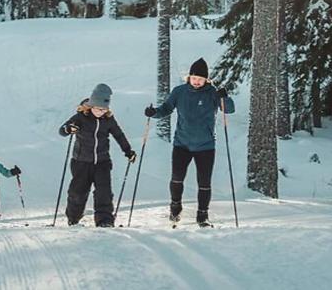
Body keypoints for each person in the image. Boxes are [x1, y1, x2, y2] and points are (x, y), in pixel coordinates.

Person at [144, 58, 234, 227]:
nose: (197, 82)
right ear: (189, 77)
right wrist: (153, 113)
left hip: (205, 146)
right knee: (177, 178)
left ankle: (202, 215)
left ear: (206, 79)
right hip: (182, 144)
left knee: (204, 182)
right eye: (194, 78)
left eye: (200, 79)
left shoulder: (212, 93)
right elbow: (166, 109)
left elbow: (229, 109)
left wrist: (225, 97)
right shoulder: (179, 92)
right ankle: (175, 207)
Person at [59, 83, 136, 227]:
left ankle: (105, 220)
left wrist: (128, 151)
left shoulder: (108, 119)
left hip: (102, 162)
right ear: (91, 105)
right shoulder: (80, 117)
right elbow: (62, 130)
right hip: (81, 161)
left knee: (104, 192)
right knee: (78, 192)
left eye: (104, 109)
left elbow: (119, 135)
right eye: (98, 109)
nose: (101, 112)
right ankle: (73, 218)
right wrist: (69, 129)